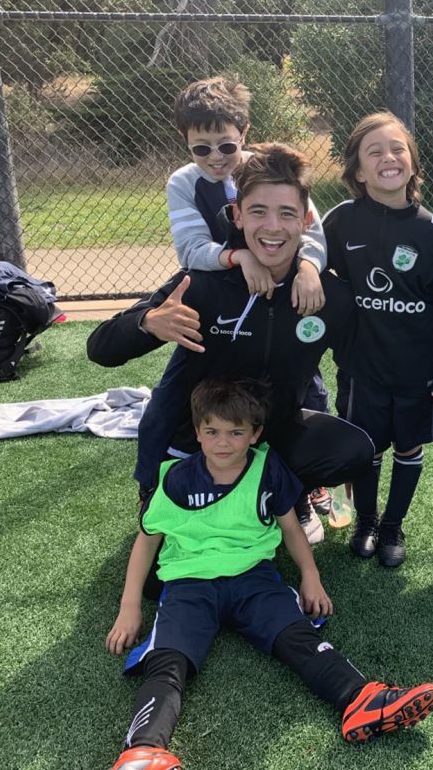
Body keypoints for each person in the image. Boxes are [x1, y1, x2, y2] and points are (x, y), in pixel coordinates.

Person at [105, 377, 433, 770]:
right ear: (197, 433)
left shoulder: (267, 469)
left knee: (298, 638)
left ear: (255, 434)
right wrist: (130, 606)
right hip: (188, 583)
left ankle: (361, 700)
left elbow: (290, 528)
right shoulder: (176, 478)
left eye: (235, 432)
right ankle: (144, 751)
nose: (223, 442)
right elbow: (146, 541)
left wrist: (309, 576)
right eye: (211, 431)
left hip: (254, 579)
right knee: (168, 661)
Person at [87, 142, 374, 525]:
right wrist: (147, 323)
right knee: (159, 581)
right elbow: (100, 348)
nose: (272, 227)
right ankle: (169, 489)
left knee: (352, 448)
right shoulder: (203, 285)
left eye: (286, 214)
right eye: (258, 212)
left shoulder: (326, 294)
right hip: (203, 439)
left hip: (272, 432)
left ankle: (286, 492)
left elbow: (361, 364)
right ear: (237, 216)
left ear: (306, 221)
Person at [168, 77, 334, 532]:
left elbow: (312, 230)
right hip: (219, 293)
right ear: (186, 142)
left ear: (244, 132)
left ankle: (306, 484)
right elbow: (189, 248)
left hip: (281, 292)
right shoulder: (184, 183)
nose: (216, 159)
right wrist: (237, 256)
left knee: (305, 389)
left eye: (226, 145)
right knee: (172, 399)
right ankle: (157, 488)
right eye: (201, 149)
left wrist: (308, 268)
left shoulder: (269, 170)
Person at [322, 112, 433, 567]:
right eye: (374, 151)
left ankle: (394, 525)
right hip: (364, 368)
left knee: (408, 446)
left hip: (416, 370)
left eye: (397, 148)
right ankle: (366, 520)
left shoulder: (429, 228)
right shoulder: (340, 222)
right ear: (358, 171)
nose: (388, 157)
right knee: (366, 446)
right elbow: (315, 272)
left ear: (413, 162)